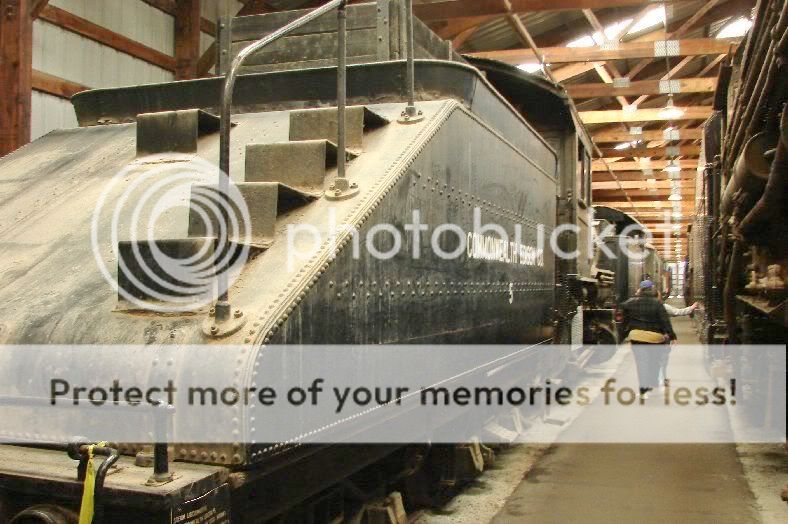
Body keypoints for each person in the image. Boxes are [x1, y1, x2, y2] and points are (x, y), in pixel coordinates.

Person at [620, 280, 677, 398]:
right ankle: (652, 383)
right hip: (655, 338)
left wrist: (625, 333)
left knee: (642, 363)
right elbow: (664, 321)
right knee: (654, 362)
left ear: (640, 290)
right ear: (652, 290)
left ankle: (643, 390)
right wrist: (672, 336)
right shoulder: (657, 303)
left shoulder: (630, 303)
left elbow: (623, 315)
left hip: (637, 337)